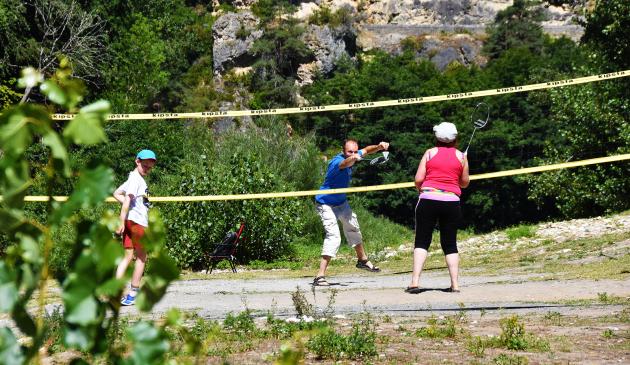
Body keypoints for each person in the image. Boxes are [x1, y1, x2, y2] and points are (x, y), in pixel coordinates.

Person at [313, 139, 390, 286]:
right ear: (343, 151)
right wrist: (352, 158)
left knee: (353, 228)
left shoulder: (355, 154)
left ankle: (362, 260)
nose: (354, 154)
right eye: (350, 152)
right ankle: (319, 276)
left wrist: (379, 147)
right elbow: (344, 164)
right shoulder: (337, 162)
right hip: (325, 204)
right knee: (334, 237)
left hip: (341, 202)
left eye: (355, 151)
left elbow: (367, 150)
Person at [406, 122, 469, 294]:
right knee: (450, 243)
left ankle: (414, 282)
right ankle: (455, 285)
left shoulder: (429, 153)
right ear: (455, 138)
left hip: (428, 200)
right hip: (451, 202)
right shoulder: (461, 156)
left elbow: (418, 179)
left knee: (422, 240)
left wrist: (424, 190)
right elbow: (464, 183)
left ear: (437, 137)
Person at [114, 149, 157, 306]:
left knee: (127, 257)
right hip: (137, 222)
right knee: (141, 258)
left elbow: (117, 193)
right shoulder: (136, 180)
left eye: (149, 167)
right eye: (144, 165)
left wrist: (131, 208)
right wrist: (120, 220)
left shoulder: (132, 178)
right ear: (137, 161)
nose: (147, 169)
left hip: (131, 222)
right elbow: (126, 199)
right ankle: (133, 294)